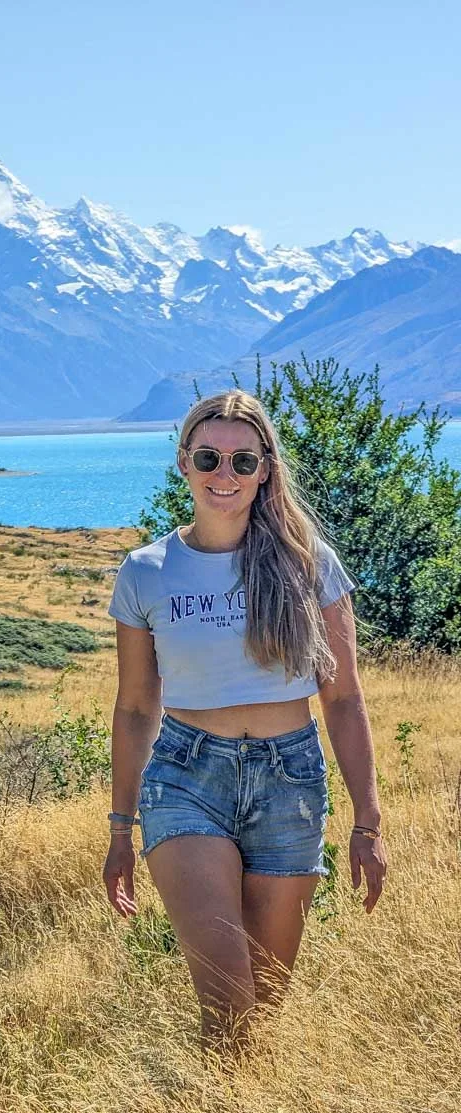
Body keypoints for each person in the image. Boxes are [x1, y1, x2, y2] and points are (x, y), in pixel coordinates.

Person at [103, 389, 387, 1059]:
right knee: (228, 999)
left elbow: (344, 700)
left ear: (265, 469)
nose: (223, 473)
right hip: (185, 779)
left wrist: (367, 825)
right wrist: (120, 828)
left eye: (241, 459)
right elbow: (137, 707)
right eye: (208, 456)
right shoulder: (145, 571)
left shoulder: (307, 563)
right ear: (184, 463)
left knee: (261, 1005)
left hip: (290, 782)